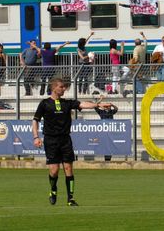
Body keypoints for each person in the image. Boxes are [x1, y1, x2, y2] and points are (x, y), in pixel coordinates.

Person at [32, 78, 114, 206]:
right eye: (61, 87)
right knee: (54, 170)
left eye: (64, 87)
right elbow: (35, 120)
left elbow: (82, 104)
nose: (64, 89)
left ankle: (70, 199)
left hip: (65, 139)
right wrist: (36, 137)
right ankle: (53, 190)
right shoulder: (44, 103)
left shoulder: (67, 103)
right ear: (54, 88)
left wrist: (96, 105)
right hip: (51, 140)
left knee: (68, 168)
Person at [93, 95, 118, 161]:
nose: (107, 107)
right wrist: (100, 100)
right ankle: (106, 158)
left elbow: (116, 109)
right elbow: (95, 106)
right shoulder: (101, 112)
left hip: (110, 131)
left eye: (108, 106)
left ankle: (108, 158)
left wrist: (112, 104)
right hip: (103, 132)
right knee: (105, 145)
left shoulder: (111, 112)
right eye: (106, 106)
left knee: (110, 145)